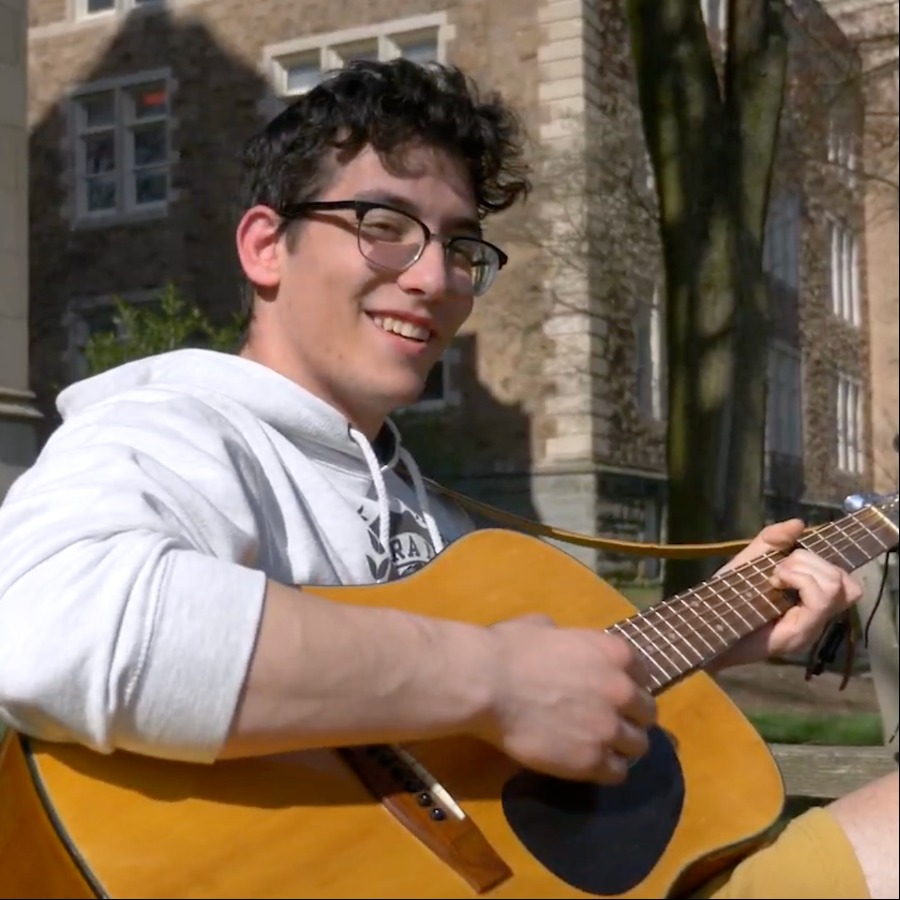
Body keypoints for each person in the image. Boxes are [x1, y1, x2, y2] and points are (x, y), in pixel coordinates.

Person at [0, 59, 895, 899]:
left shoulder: (428, 512)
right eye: (383, 227)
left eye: (462, 248)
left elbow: (533, 698)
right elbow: (49, 619)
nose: (434, 278)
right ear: (267, 246)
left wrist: (723, 625)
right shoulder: (179, 428)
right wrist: (495, 680)